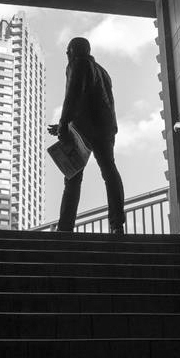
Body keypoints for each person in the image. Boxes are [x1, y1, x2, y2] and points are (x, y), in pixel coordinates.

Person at [48, 37, 125, 234]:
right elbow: (93, 100)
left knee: (72, 176)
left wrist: (64, 126)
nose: (66, 54)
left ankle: (65, 228)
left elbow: (73, 95)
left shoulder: (77, 63)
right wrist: (61, 125)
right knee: (109, 171)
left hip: (83, 130)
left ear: (74, 50)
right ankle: (117, 224)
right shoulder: (103, 71)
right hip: (105, 128)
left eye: (68, 50)